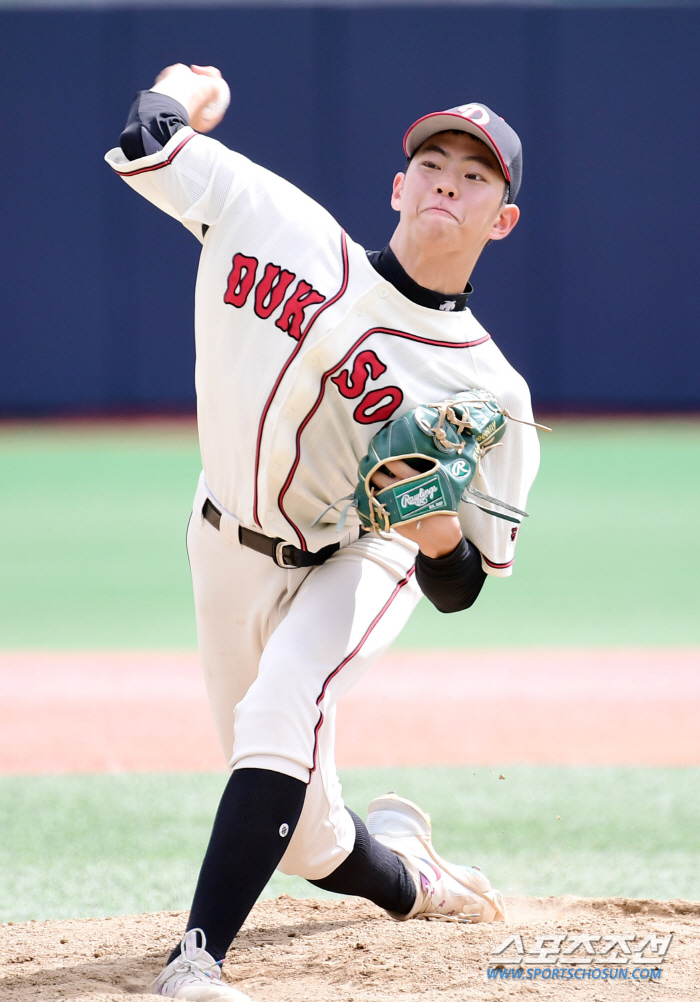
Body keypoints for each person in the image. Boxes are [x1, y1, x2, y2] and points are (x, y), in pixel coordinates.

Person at [106, 63, 540, 1001]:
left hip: (362, 553)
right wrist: (179, 86)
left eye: (476, 178)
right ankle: (413, 875)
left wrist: (431, 537)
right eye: (433, 163)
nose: (448, 184)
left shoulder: (490, 391)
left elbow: (464, 582)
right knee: (308, 837)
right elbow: (152, 138)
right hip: (222, 535)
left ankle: (197, 961)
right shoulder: (279, 223)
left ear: (500, 220)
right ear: (398, 186)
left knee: (279, 712)